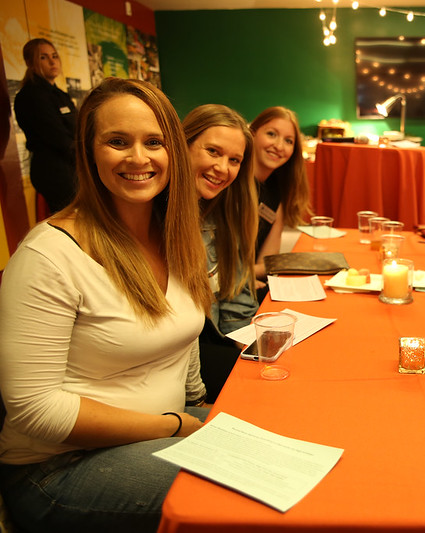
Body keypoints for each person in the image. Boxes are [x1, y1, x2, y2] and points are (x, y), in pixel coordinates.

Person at [0, 78, 212, 533]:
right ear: (88, 152)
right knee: (243, 494)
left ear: (173, 150)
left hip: (167, 428)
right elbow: (35, 410)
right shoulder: (48, 255)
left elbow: (183, 336)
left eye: (154, 142)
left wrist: (198, 407)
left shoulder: (174, 233)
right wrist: (174, 424)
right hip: (58, 469)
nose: (139, 158)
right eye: (118, 141)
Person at [184, 104, 259, 402]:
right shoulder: (152, 219)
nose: (223, 168)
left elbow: (234, 303)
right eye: (213, 152)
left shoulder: (221, 215)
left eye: (234, 160)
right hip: (183, 369)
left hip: (213, 349)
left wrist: (253, 346)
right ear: (182, 145)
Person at [13, 38, 77, 212]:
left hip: (72, 166)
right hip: (54, 171)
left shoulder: (60, 95)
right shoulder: (31, 96)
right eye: (43, 57)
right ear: (29, 62)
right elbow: (58, 138)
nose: (52, 61)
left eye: (54, 56)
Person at [250, 106, 312, 281]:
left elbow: (268, 261)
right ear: (252, 133)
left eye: (288, 141)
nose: (279, 146)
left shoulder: (277, 189)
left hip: (253, 281)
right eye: (271, 134)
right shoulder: (230, 182)